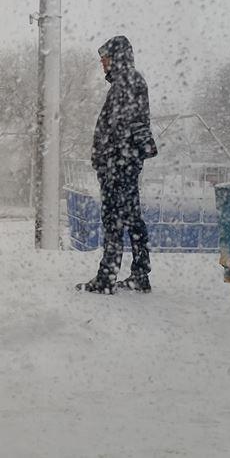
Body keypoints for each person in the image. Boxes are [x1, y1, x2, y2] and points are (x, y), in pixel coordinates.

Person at [78, 35, 158, 295]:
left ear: (117, 58)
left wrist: (107, 158)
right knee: (132, 218)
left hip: (119, 164)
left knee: (113, 219)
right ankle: (140, 275)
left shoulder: (126, 82)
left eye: (105, 59)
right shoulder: (130, 81)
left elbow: (119, 127)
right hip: (124, 162)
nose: (103, 64)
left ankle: (106, 278)